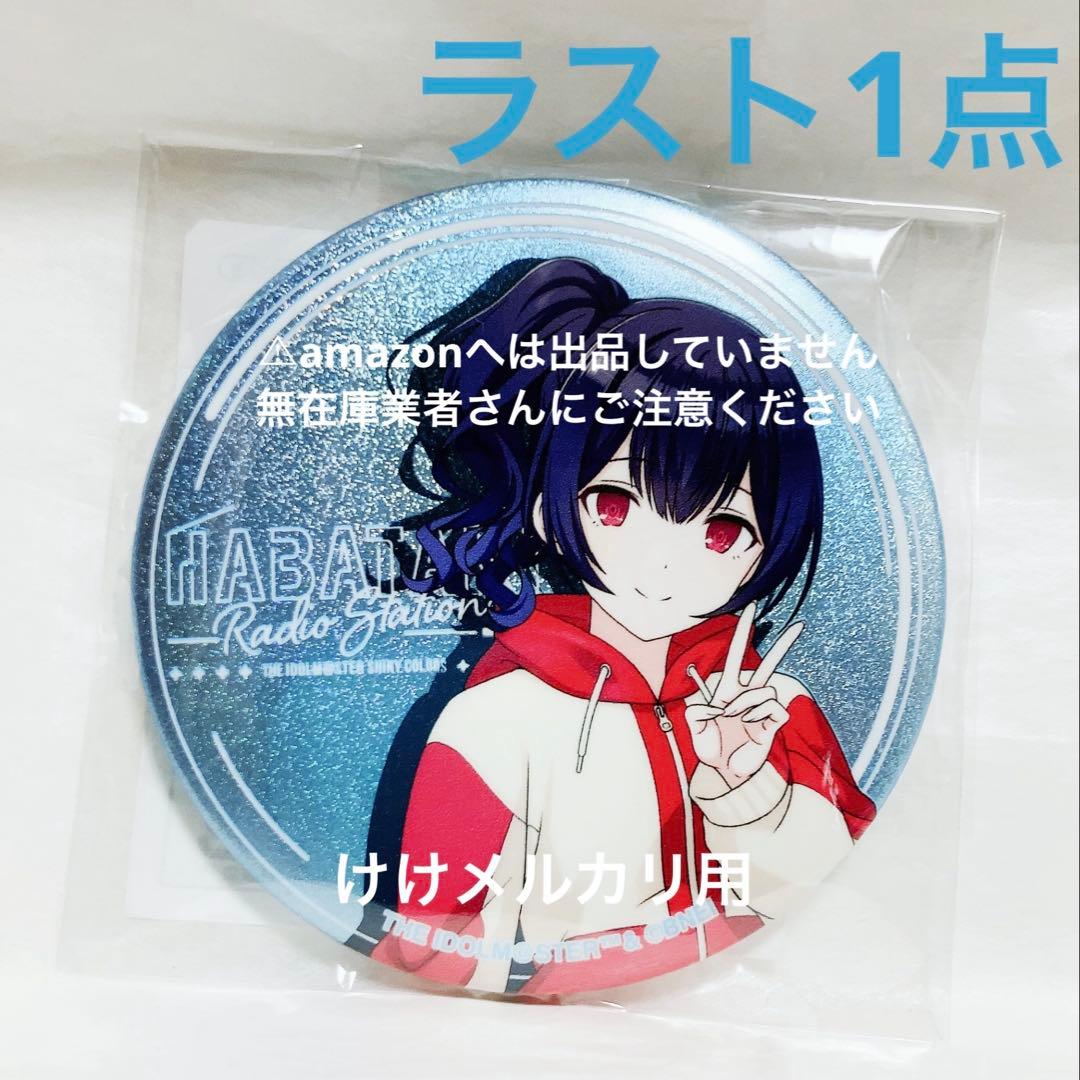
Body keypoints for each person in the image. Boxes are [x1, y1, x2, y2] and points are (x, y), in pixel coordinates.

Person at [368, 258, 875, 994]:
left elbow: (838, 897)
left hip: (768, 1024)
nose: (663, 564)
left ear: (771, 540)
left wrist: (749, 793)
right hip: (574, 1034)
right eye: (614, 504)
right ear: (549, 507)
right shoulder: (496, 723)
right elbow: (438, 947)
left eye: (723, 529)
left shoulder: (773, 708)